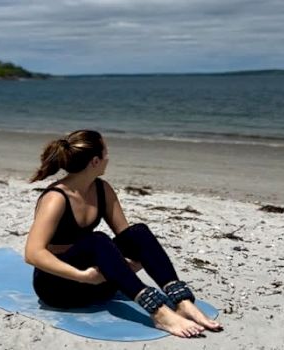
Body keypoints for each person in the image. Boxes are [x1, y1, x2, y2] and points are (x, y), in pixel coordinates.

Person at [24, 130, 222, 338]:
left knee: (139, 233)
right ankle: (160, 313)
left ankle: (182, 302)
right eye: (106, 152)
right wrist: (83, 277)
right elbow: (33, 253)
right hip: (59, 288)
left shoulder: (102, 189)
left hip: (99, 284)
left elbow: (129, 239)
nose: (108, 158)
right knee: (98, 240)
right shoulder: (56, 198)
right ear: (95, 161)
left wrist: (128, 264)